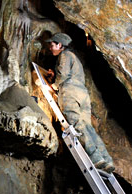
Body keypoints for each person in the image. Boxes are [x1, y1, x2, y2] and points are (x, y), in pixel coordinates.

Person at [36, 32, 115, 173]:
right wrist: (54, 76)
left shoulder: (64, 55)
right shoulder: (75, 59)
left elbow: (64, 75)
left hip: (70, 92)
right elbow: (69, 74)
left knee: (76, 124)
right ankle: (106, 160)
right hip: (83, 95)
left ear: (60, 45)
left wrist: (52, 86)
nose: (50, 48)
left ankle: (96, 159)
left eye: (52, 45)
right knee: (88, 128)